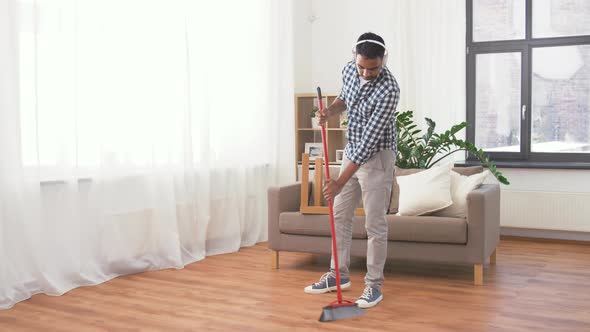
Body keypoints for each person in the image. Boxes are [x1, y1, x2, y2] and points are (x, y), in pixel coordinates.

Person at [304, 32, 400, 309]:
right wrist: (330, 111)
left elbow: (369, 142)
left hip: (377, 156)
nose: (366, 73)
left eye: (373, 68)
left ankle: (374, 286)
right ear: (354, 59)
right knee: (339, 214)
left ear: (384, 60)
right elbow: (345, 98)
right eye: (362, 67)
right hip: (352, 150)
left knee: (375, 224)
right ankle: (338, 274)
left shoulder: (389, 89)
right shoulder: (349, 70)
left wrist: (339, 181)